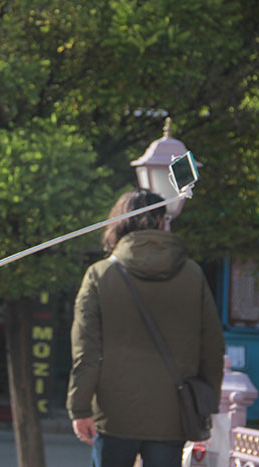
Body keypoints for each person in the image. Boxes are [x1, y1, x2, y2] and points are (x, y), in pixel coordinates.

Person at [66, 188, 224, 467]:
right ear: (163, 221)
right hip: (172, 414)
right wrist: (206, 404)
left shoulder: (100, 275)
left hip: (114, 415)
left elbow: (86, 353)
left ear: (119, 222)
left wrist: (79, 408)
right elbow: (212, 346)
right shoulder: (192, 274)